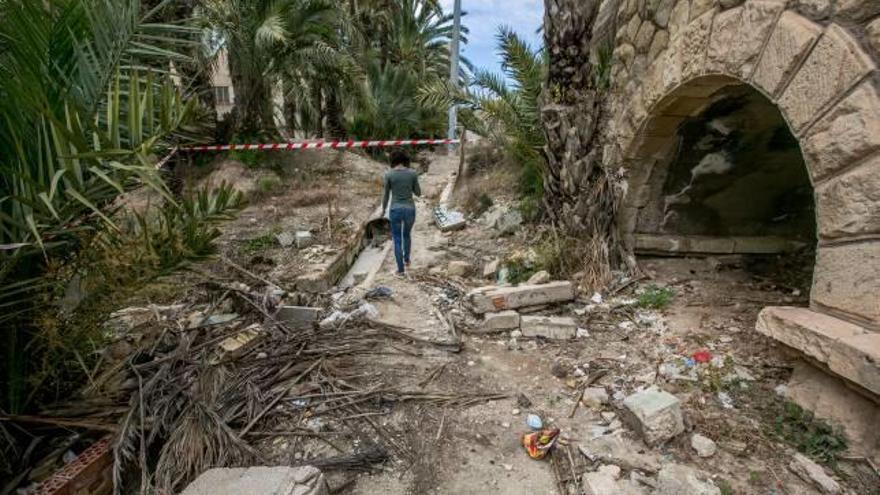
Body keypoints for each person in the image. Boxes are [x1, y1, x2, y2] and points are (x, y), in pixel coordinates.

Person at [382, 150, 421, 276]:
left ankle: (400, 270)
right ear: (406, 160)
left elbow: (386, 195)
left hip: (395, 210)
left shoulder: (388, 175)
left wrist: (383, 209)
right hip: (410, 209)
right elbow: (418, 193)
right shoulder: (412, 174)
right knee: (407, 235)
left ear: (393, 161)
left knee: (397, 239)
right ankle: (407, 260)